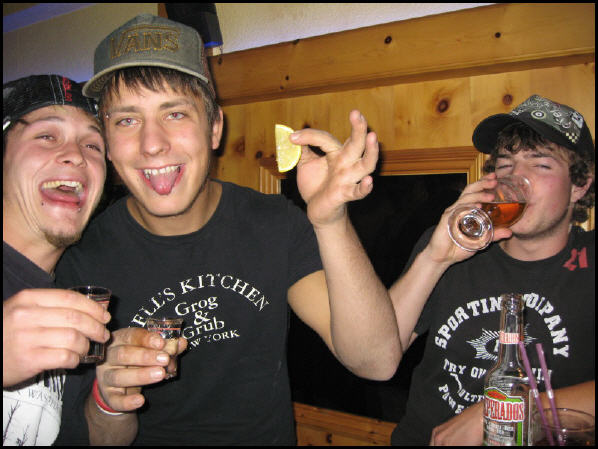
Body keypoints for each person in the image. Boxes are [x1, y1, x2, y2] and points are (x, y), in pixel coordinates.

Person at [54, 14, 399, 445]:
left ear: (214, 127)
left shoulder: (273, 223)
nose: (152, 144)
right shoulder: (79, 261)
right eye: (127, 120)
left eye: (175, 113)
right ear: (106, 139)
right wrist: (109, 400)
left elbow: (376, 361)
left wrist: (331, 221)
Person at [389, 94, 595, 445]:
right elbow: (377, 354)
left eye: (540, 165)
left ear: (580, 184)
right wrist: (433, 259)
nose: (515, 178)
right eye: (504, 164)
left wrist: (512, 410)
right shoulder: (453, 245)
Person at [2, 74, 111, 445]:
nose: (76, 155)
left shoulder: (83, 296)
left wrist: (110, 400)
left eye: (93, 145)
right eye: (47, 136)